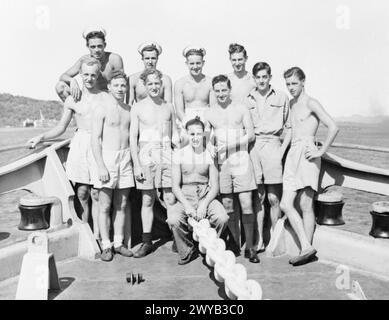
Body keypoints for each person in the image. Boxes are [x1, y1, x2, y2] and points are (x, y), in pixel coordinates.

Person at [28, 57, 108, 241]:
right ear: (80, 75)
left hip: (99, 145)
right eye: (85, 74)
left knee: (97, 194)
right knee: (82, 193)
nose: (89, 78)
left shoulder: (105, 97)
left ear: (98, 76)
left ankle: (100, 237)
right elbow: (61, 127)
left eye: (93, 75)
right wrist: (41, 137)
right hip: (80, 145)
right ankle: (87, 236)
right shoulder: (73, 99)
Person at [280, 67, 339, 266]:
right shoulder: (291, 103)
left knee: (306, 204)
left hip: (307, 153)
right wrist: (280, 153)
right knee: (285, 203)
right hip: (292, 154)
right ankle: (306, 246)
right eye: (288, 84)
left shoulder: (311, 102)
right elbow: (290, 130)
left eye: (294, 83)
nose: (291, 88)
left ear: (303, 82)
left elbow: (333, 126)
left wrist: (320, 152)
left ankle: (306, 250)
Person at [204, 75, 259, 263]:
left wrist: (230, 146)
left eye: (224, 90)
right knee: (227, 205)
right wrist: (210, 147)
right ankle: (234, 244)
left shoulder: (241, 109)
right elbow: (205, 136)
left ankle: (250, 247)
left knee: (246, 204)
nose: (221, 94)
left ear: (230, 90)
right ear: (213, 91)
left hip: (241, 160)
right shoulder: (210, 112)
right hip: (222, 164)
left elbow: (250, 135)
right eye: (217, 91)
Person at [130, 69, 180, 258]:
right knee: (147, 199)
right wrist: (136, 164)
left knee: (170, 198)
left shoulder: (169, 107)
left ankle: (177, 237)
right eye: (150, 84)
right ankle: (147, 241)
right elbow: (133, 137)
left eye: (157, 83)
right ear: (145, 85)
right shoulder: (138, 107)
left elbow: (174, 134)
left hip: (166, 153)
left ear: (161, 84)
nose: (154, 87)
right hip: (145, 155)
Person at [169, 117, 229, 265]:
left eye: (199, 134)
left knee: (222, 217)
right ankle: (187, 249)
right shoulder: (179, 154)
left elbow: (214, 186)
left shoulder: (209, 155)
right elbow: (175, 186)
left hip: (204, 194)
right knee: (173, 220)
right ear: (186, 134)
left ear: (204, 134)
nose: (196, 138)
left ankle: (210, 246)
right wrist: (187, 206)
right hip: (185, 194)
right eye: (192, 134)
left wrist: (204, 204)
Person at [245, 62, 291, 252]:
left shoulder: (281, 97)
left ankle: (274, 238)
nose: (261, 80)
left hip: (273, 145)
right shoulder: (247, 99)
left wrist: (281, 152)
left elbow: (288, 128)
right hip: (254, 147)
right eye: (258, 77)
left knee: (273, 198)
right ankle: (259, 240)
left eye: (265, 76)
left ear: (270, 77)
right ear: (254, 78)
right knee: (259, 196)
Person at [90, 71, 134, 261]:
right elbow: (94, 140)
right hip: (107, 158)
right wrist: (101, 166)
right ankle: (106, 245)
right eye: (116, 85)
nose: (120, 89)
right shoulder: (101, 109)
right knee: (104, 205)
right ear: (109, 87)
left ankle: (118, 243)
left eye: (123, 85)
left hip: (125, 158)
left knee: (122, 204)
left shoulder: (129, 109)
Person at [55, 27, 124, 102]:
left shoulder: (114, 59)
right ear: (87, 46)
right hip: (88, 98)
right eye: (93, 47)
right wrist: (72, 80)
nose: (96, 50)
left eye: (99, 46)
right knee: (60, 86)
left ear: (105, 45)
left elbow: (122, 83)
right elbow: (63, 76)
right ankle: (75, 112)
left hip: (107, 99)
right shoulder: (84, 60)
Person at [174, 46, 214, 126]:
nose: (195, 67)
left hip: (206, 121)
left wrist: (207, 125)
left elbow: (213, 108)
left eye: (198, 63)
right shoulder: (180, 83)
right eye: (192, 63)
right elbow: (179, 111)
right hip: (186, 120)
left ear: (203, 63)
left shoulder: (210, 82)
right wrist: (187, 124)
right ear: (187, 64)